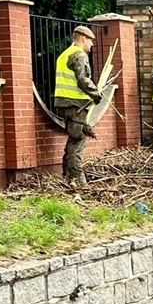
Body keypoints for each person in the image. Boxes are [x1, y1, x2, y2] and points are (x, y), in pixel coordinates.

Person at [54, 25, 103, 187]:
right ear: (83, 38)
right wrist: (96, 94)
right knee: (78, 139)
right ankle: (78, 180)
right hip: (75, 104)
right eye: (90, 40)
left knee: (74, 137)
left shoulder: (64, 55)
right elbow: (83, 80)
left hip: (64, 102)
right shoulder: (79, 55)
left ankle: (67, 176)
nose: (92, 44)